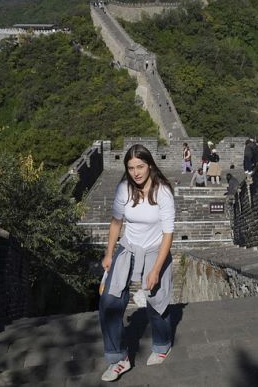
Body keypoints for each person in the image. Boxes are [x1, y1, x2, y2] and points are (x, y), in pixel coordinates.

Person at [98, 144, 175, 382]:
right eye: (131, 167)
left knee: (157, 302)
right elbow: (116, 222)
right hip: (127, 248)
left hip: (155, 250)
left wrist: (155, 269)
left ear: (149, 164)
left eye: (140, 166)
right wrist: (109, 253)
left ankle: (162, 344)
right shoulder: (124, 189)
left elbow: (168, 235)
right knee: (109, 301)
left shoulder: (163, 192)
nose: (136, 172)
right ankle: (118, 358)